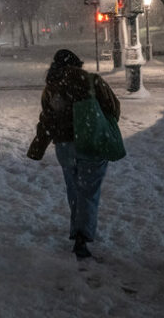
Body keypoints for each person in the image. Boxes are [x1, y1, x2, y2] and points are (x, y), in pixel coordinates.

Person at [32, 48, 120, 260]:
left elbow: (47, 120)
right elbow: (114, 108)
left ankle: (77, 229)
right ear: (77, 63)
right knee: (89, 192)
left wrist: (38, 146)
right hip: (90, 143)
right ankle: (82, 236)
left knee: (74, 190)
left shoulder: (52, 88)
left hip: (64, 147)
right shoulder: (91, 81)